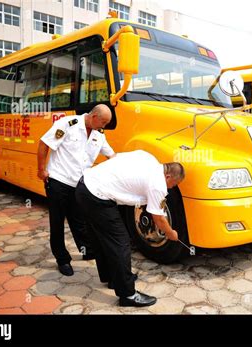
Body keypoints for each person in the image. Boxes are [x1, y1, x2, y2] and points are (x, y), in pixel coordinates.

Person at [75, 150, 185, 307]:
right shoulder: (158, 183)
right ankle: (128, 295)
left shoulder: (149, 158)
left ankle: (112, 278)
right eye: (173, 184)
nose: (171, 188)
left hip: (85, 185)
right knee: (121, 243)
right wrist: (171, 233)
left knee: (102, 238)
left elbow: (118, 157)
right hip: (97, 196)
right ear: (168, 177)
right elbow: (159, 217)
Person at [37, 104, 116, 276]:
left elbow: (112, 156)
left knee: (79, 219)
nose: (104, 126)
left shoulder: (98, 135)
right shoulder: (67, 124)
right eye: (103, 122)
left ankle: (86, 249)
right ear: (94, 116)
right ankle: (62, 259)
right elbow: (44, 143)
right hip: (58, 181)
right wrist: (41, 170)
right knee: (57, 222)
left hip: (79, 184)